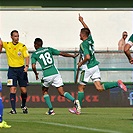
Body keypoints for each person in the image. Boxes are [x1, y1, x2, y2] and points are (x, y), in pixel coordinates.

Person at [69, 14, 127, 115]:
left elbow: (87, 57)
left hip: (87, 67)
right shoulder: (90, 40)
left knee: (80, 88)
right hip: (95, 66)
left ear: (83, 35)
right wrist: (82, 21)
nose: (79, 35)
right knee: (99, 87)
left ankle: (78, 109)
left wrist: (80, 63)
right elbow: (88, 30)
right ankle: (117, 83)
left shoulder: (83, 44)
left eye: (80, 34)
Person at [31, 38, 81, 115]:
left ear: (36, 45)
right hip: (55, 73)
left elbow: (33, 66)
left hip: (47, 74)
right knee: (61, 92)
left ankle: (51, 110)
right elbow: (61, 53)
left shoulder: (35, 54)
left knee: (44, 91)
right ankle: (74, 101)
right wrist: (72, 56)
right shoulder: (49, 49)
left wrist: (35, 73)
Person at [0, 30, 30, 114]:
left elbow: (27, 57)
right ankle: (13, 109)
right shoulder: (7, 45)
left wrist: (27, 67)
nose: (17, 38)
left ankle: (23, 105)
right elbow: (1, 42)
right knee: (12, 89)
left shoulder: (22, 46)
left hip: (21, 70)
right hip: (12, 70)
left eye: (18, 36)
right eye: (15, 36)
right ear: (11, 37)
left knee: (23, 90)